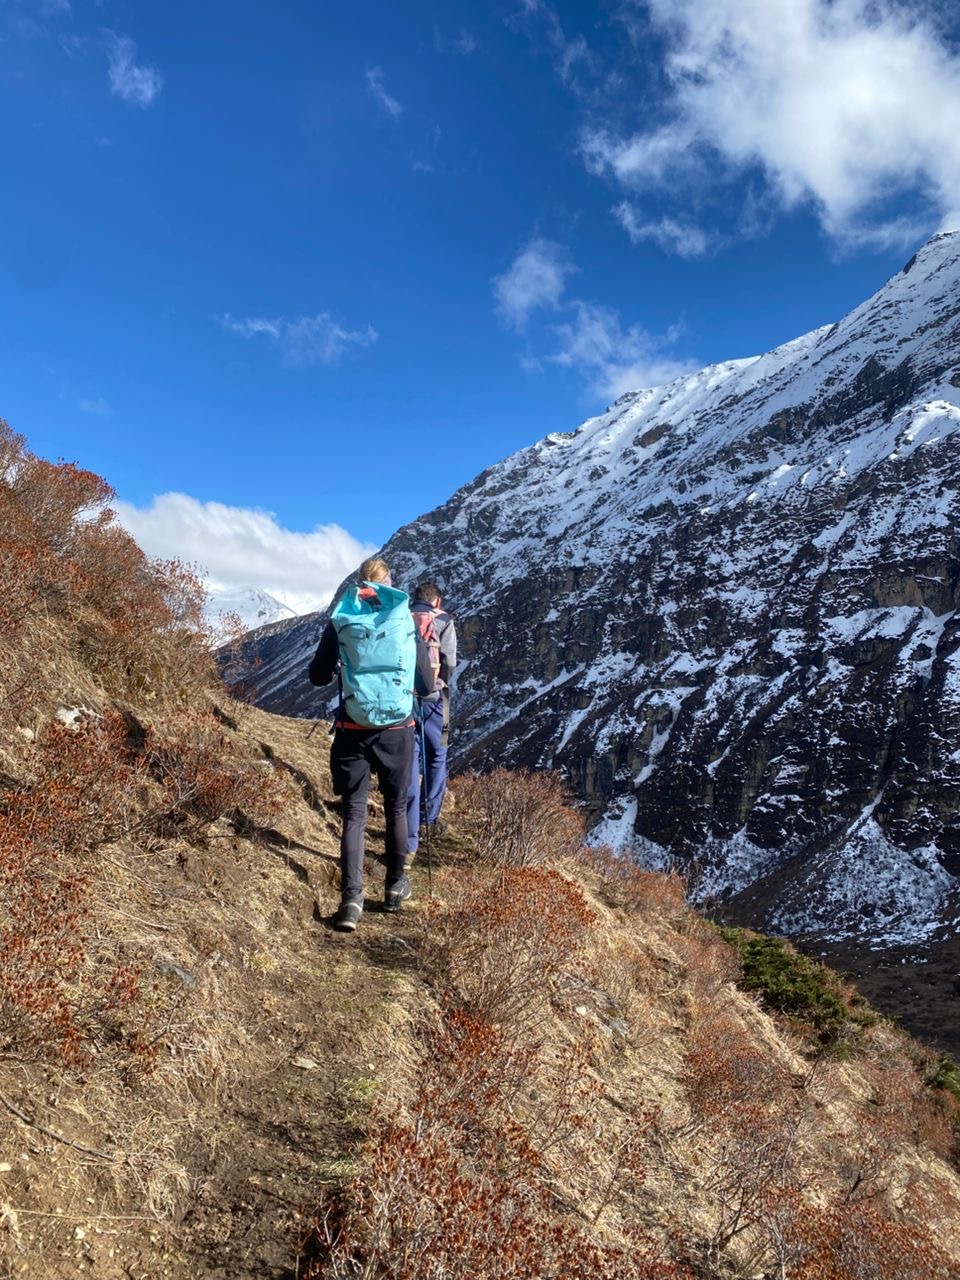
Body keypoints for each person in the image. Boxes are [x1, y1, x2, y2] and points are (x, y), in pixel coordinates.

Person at [308, 557, 435, 932]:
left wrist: (340, 667)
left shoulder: (342, 621)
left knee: (354, 814)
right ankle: (395, 887)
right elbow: (426, 687)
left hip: (352, 727)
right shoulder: (405, 623)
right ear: (390, 585)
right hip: (398, 730)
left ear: (359, 584)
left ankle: (351, 900)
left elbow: (317, 676)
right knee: (396, 808)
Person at [406, 581, 457, 860]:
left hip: (405, 698)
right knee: (438, 754)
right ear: (436, 601)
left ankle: (409, 819)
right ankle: (429, 816)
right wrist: (440, 688)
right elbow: (449, 662)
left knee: (411, 757)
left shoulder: (400, 617)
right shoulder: (444, 621)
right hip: (437, 698)